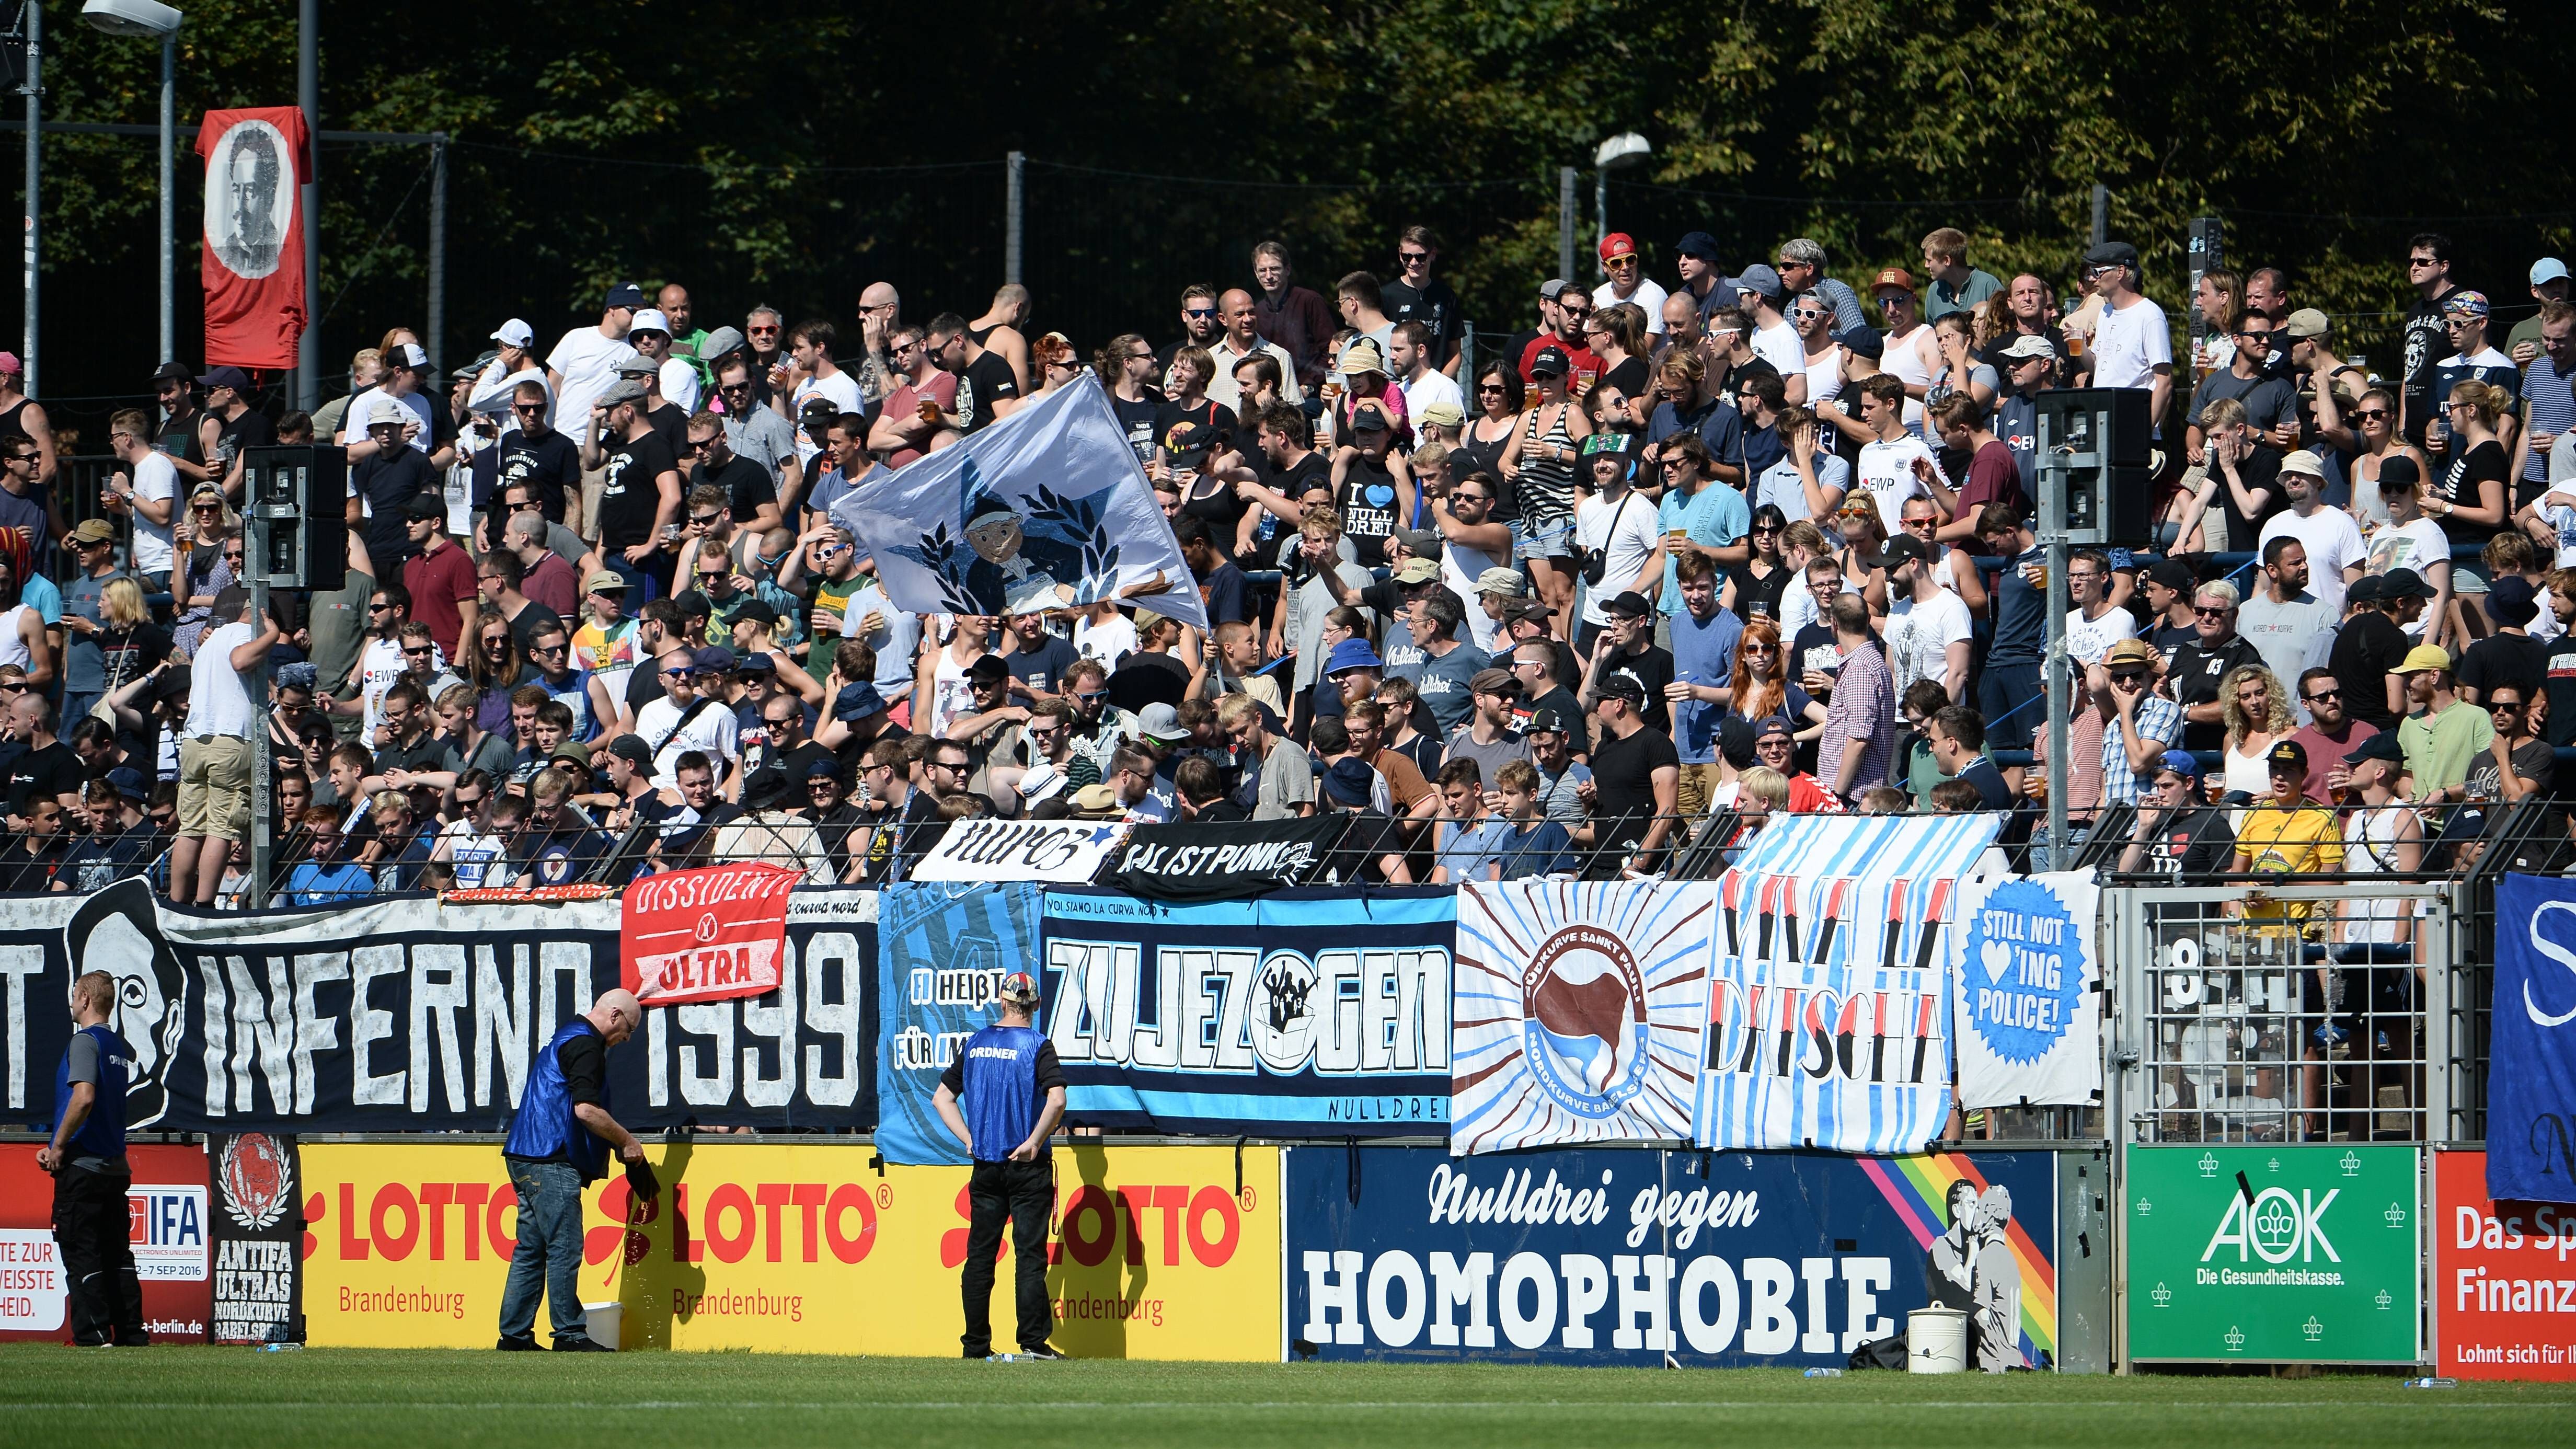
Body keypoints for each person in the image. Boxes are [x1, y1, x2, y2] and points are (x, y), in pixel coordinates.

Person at [496, 988, 651, 1352]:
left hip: (523, 1152)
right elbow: (586, 1111)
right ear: (614, 1016)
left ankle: (515, 1337)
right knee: (565, 1246)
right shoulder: (586, 1047)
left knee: (531, 1248)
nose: (627, 1039)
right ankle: (570, 1333)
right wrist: (628, 1142)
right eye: (629, 1029)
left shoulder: (566, 1035)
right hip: (551, 1156)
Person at [929, 969, 1067, 1360]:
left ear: (1002, 1002)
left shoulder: (975, 1043)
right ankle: (1033, 1345)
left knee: (980, 1258)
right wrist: (1034, 1142)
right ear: (1036, 1005)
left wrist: (970, 1139)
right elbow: (1056, 1100)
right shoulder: (1039, 1046)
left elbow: (942, 1098)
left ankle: (976, 1347)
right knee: (1029, 1257)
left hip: (986, 1164)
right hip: (1027, 1166)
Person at [39, 971, 147, 1344]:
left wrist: (57, 1147)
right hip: (114, 1166)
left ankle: (94, 1336)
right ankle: (131, 1333)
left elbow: (84, 1098)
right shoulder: (117, 1046)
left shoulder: (85, 1042)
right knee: (117, 1256)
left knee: (81, 1252)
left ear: (85, 998)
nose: (71, 1003)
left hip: (83, 1168)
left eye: (74, 995)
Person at [2394, 643, 2491, 803]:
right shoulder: (2408, 723)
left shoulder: (2476, 717)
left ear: (2434, 676)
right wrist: (2411, 798)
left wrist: (2445, 795)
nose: (2405, 684)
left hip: (2461, 819)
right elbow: (2407, 774)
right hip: (2420, 820)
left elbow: (2487, 776)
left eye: (2411, 677)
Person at [2116, 751, 2234, 879]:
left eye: (2167, 786)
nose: (2160, 793)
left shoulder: (2213, 823)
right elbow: (2125, 877)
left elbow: (2230, 879)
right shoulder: (2158, 821)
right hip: (2155, 897)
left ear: (2189, 783)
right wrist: (2143, 827)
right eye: (2158, 786)